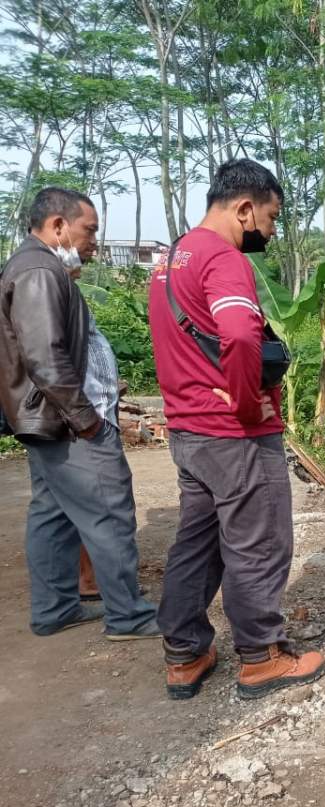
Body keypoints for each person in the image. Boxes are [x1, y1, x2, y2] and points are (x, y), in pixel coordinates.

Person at [148, 159, 325, 700]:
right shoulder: (223, 259)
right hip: (232, 434)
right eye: (271, 218)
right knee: (258, 542)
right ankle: (262, 656)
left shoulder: (169, 259)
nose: (271, 232)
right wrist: (250, 407)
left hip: (188, 431)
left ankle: (184, 654)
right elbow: (243, 338)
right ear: (245, 208)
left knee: (197, 543)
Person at [0, 187, 160, 639]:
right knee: (110, 511)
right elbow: (44, 356)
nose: (93, 240)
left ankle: (55, 610)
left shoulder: (43, 268)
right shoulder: (38, 270)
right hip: (68, 423)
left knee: (53, 513)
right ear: (57, 225)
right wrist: (85, 417)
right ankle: (128, 615)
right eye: (88, 229)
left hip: (51, 420)